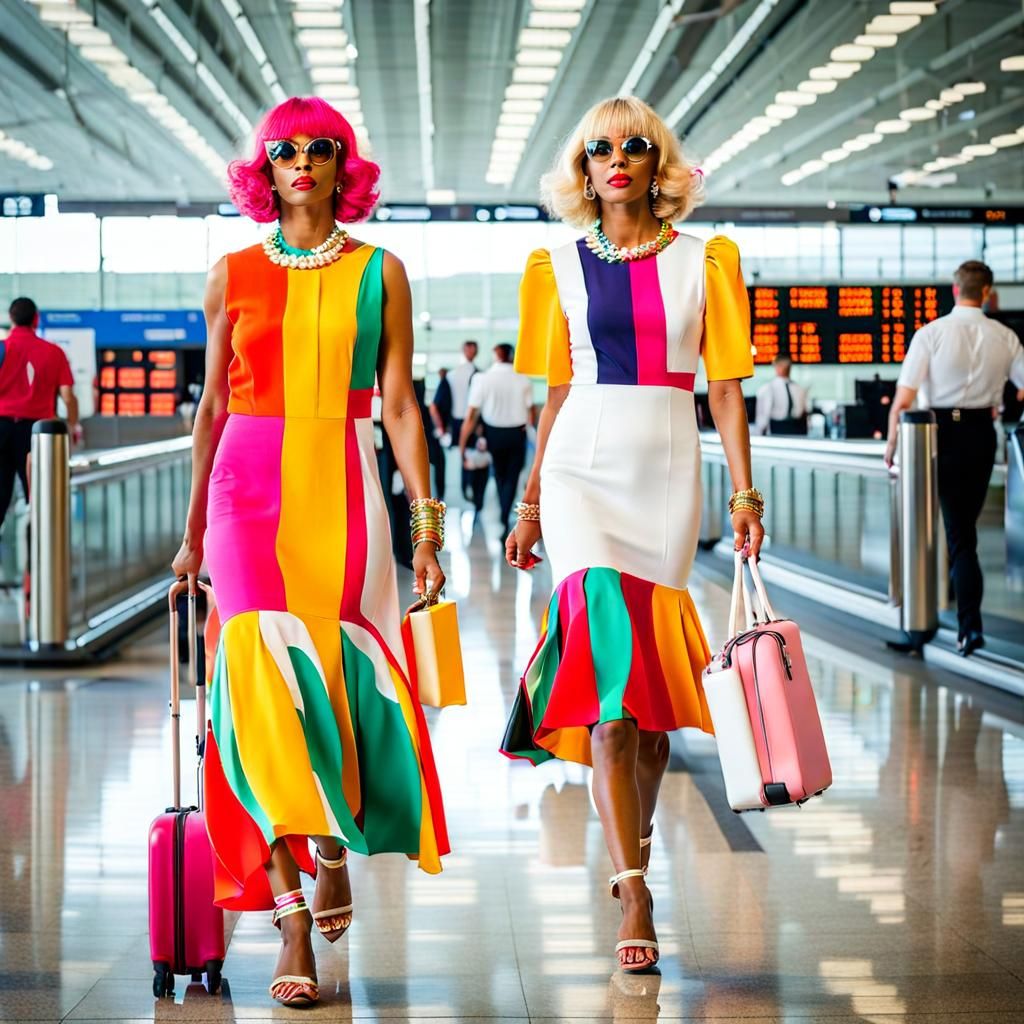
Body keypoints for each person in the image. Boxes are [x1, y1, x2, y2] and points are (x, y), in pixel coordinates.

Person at [170, 96, 450, 1009]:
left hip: (345, 483)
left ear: (342, 166)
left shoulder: (383, 272)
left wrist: (427, 529)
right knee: (256, 682)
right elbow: (211, 407)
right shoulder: (232, 274)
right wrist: (190, 534)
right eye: (281, 151)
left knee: (331, 676)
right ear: (265, 168)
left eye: (318, 150)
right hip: (245, 492)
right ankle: (290, 911)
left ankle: (334, 848)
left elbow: (401, 405)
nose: (299, 163)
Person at [501, 96, 763, 973]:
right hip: (581, 474)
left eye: (636, 147)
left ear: (661, 164)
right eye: (601, 148)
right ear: (584, 167)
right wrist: (532, 499)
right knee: (610, 687)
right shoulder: (555, 266)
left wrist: (743, 493)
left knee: (648, 707)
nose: (618, 160)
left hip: (666, 475)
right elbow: (557, 394)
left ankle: (635, 837)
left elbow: (724, 388)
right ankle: (633, 884)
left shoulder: (708, 262)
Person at [885, 259, 1024, 658]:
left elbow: (904, 399)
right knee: (961, 533)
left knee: (954, 536)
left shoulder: (931, 334)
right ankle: (947, 623)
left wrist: (892, 444)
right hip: (982, 436)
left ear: (953, 289)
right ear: (987, 293)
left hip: (934, 435)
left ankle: (948, 628)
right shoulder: (1004, 336)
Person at [0, 297, 80, 527]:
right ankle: (36, 560)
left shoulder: (2, 348)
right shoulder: (53, 352)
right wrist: (73, 426)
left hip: (1, 428)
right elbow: (67, 397)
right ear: (36, 319)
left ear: (11, 319)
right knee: (40, 505)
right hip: (37, 435)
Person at [458, 343, 534, 532]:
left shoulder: (481, 378)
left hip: (494, 434)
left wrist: (462, 444)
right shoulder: (523, 379)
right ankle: (505, 512)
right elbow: (531, 413)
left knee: (500, 476)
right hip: (517, 434)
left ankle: (503, 511)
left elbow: (471, 415)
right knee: (512, 476)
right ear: (511, 356)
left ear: (494, 356)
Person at [448, 340, 479, 500]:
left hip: (465, 419)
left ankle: (468, 487)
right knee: (466, 455)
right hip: (463, 419)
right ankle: (467, 487)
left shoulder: (476, 374)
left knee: (468, 455)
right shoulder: (454, 374)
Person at [754, 354, 808, 435]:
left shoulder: (768, 388)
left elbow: (763, 416)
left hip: (789, 430)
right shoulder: (769, 388)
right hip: (785, 429)